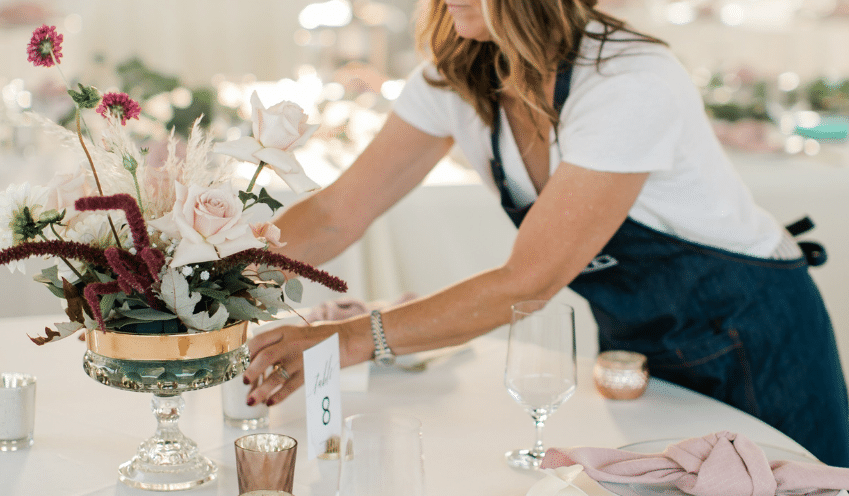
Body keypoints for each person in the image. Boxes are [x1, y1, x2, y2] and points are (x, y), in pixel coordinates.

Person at [242, 0, 849, 466]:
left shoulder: (628, 78)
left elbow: (530, 279)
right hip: (638, 342)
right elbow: (336, 213)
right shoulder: (452, 79)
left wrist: (350, 340)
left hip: (755, 336)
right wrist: (213, 278)